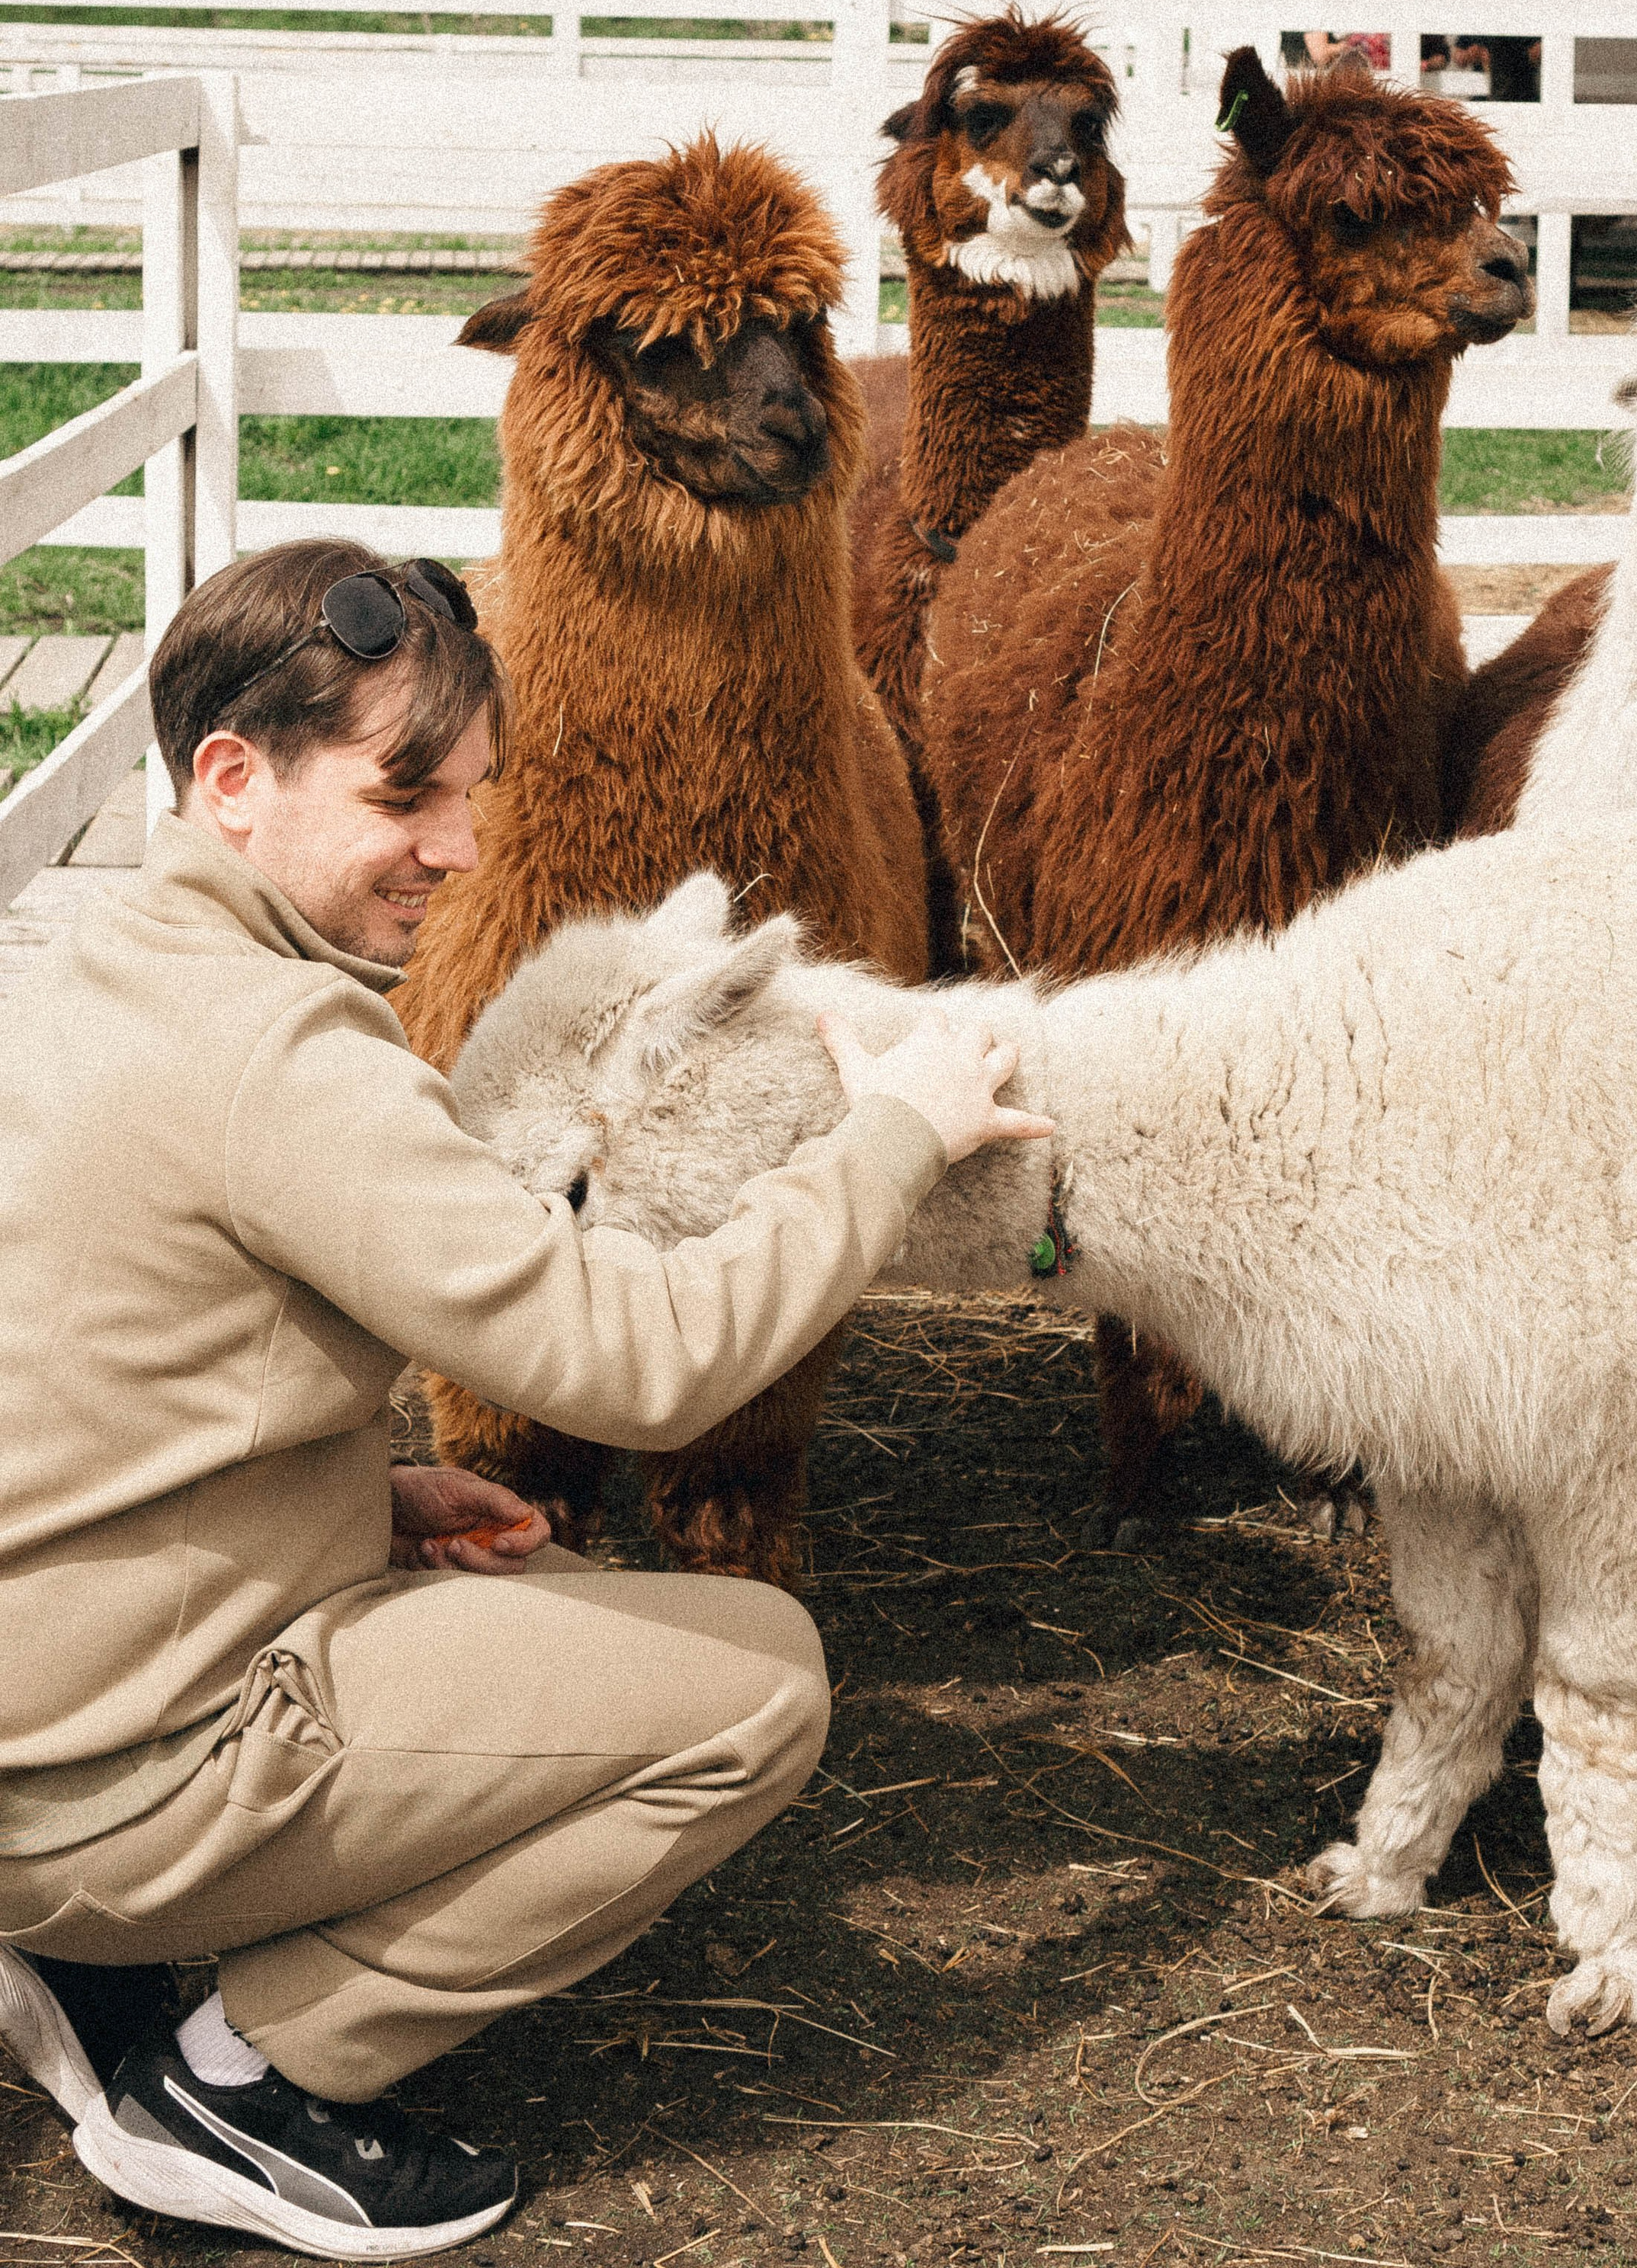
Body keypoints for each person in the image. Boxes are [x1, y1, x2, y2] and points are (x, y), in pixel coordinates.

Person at [0, 539, 1049, 2257]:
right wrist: (890, 1141)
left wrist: (361, 1502)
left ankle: (73, 1944)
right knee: (755, 1686)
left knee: (553, 1594)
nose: (462, 850)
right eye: (406, 790)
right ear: (233, 777)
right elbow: (644, 1368)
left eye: (473, 796)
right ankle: (236, 2082)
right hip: (107, 1780)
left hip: (37, 1702)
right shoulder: (282, 1055)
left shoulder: (86, 959)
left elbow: (89, 1371)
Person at [1456, 0, 1541, 101]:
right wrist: (1470, 54)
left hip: (1521, 94)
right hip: (1484, 96)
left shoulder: (1531, 12)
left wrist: (1498, 59)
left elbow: (1539, 53)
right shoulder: (1480, 13)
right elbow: (1459, 56)